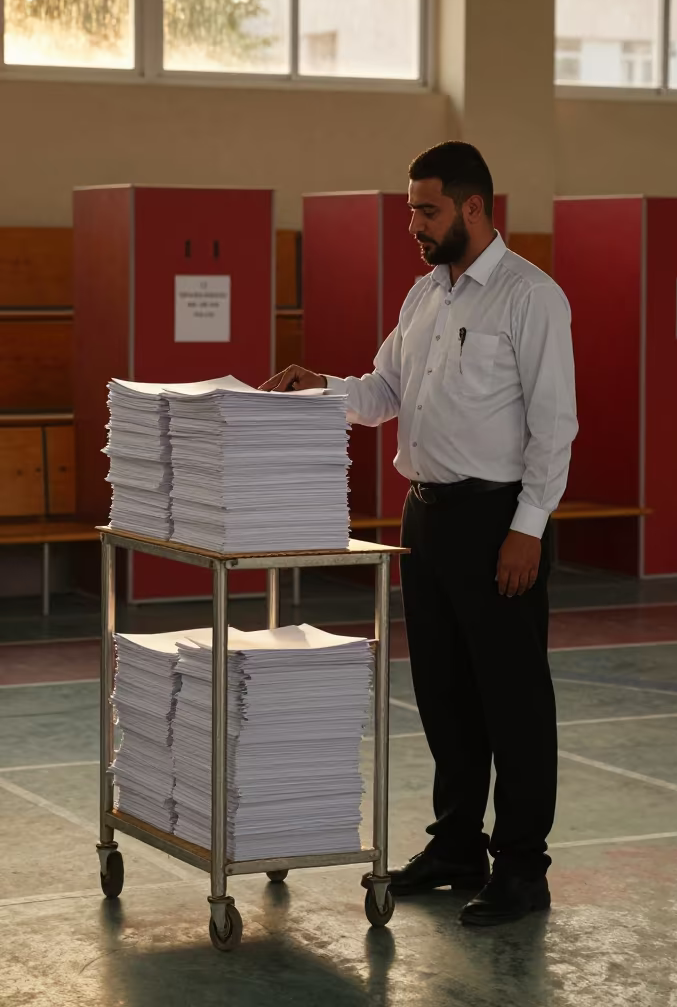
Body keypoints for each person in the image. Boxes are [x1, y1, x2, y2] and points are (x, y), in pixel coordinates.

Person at [260, 141, 578, 928]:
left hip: (498, 520)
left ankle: (523, 869)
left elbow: (555, 427)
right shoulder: (423, 298)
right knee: (443, 693)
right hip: (427, 519)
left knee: (514, 703)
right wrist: (320, 389)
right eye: (409, 210)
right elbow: (384, 392)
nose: (413, 225)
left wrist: (527, 531)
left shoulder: (530, 298)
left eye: (426, 210)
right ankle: (457, 845)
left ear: (474, 208)